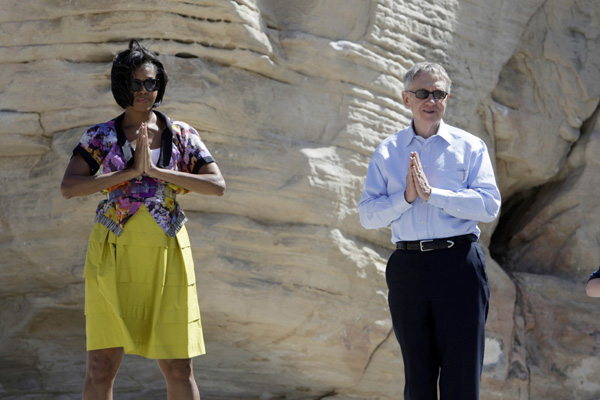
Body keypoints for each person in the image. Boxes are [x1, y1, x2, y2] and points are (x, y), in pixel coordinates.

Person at [61, 40, 225, 400]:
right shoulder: (101, 135)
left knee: (179, 366)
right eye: (136, 84)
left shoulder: (181, 134)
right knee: (100, 365)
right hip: (113, 253)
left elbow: (217, 185)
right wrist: (131, 172)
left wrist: (159, 172)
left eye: (151, 83)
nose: (144, 91)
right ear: (123, 86)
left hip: (167, 254)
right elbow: (70, 187)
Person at [357, 62, 501, 400]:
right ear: (406, 99)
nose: (430, 100)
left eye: (438, 93)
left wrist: (435, 196)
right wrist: (406, 197)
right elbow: (367, 215)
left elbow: (489, 206)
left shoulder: (470, 147)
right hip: (408, 267)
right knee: (418, 376)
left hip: (460, 263)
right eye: (422, 93)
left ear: (447, 98)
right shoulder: (387, 152)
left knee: (462, 376)